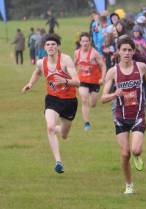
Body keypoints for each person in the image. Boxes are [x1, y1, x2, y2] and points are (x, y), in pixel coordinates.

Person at [101, 36, 146, 194]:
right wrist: (115, 94)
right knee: (125, 153)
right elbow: (103, 98)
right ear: (118, 51)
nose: (126, 53)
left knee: (135, 150)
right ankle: (129, 185)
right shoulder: (113, 72)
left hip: (138, 115)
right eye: (123, 50)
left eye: (129, 50)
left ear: (134, 52)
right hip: (120, 117)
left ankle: (138, 154)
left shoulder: (141, 67)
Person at [22, 34, 80, 173]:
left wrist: (64, 81)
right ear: (44, 47)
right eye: (48, 45)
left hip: (69, 101)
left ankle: (60, 130)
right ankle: (58, 162)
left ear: (58, 46)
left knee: (64, 134)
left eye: (53, 44)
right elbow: (37, 73)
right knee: (49, 127)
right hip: (52, 99)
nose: (51, 47)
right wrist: (30, 84)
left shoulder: (66, 60)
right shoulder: (41, 62)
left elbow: (77, 82)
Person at [74, 32, 106, 131]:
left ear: (90, 41)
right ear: (80, 42)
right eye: (83, 41)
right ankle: (87, 123)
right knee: (84, 99)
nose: (85, 43)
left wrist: (102, 78)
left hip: (94, 81)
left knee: (93, 103)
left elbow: (103, 66)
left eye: (87, 41)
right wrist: (72, 75)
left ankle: (92, 103)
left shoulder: (95, 53)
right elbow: (73, 64)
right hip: (82, 80)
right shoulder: (77, 53)